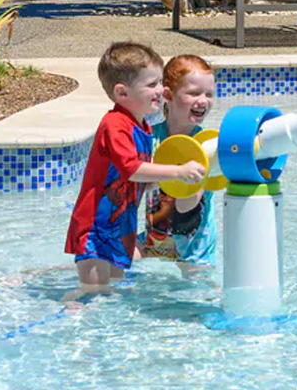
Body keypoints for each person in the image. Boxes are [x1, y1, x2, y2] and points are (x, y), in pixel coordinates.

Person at [65, 42, 205, 293]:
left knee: (114, 291)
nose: (161, 90)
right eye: (151, 85)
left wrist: (173, 183)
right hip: (95, 228)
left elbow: (140, 179)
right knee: (92, 290)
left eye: (161, 82)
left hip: (121, 226)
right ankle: (68, 316)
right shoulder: (114, 125)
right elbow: (132, 169)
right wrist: (177, 171)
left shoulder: (142, 128)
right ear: (122, 93)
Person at [139, 54, 217, 272]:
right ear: (168, 95)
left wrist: (183, 174)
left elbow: (186, 210)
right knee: (103, 262)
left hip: (194, 253)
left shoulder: (206, 146)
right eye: (193, 93)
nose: (203, 101)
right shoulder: (150, 138)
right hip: (154, 241)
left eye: (209, 94)